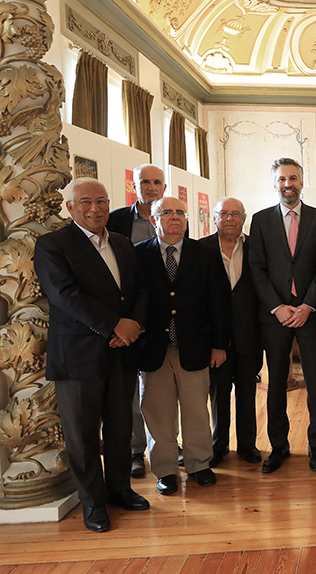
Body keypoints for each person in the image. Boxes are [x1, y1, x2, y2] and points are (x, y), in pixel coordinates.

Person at [34, 178, 150, 532]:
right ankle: (93, 503)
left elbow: (142, 290)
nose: (95, 208)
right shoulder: (53, 245)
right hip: (78, 355)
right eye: (85, 202)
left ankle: (119, 489)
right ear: (70, 207)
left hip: (122, 352)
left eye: (101, 201)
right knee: (82, 435)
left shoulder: (122, 243)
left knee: (120, 427)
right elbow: (65, 296)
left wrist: (133, 326)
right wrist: (115, 325)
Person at [135, 197, 230, 495]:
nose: (174, 217)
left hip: (195, 346)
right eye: (166, 213)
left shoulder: (205, 255)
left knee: (196, 412)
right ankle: (164, 471)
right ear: (154, 220)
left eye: (180, 213)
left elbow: (219, 302)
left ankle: (199, 465)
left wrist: (218, 345)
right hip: (153, 350)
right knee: (157, 413)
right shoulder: (138, 255)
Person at [249, 158, 316, 474]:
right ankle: (278, 447)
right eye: (282, 179)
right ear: (274, 184)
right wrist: (278, 307)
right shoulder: (260, 221)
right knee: (276, 385)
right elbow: (256, 268)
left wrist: (308, 305)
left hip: (310, 315)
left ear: (301, 182)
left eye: (293, 178)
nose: (288, 183)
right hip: (275, 316)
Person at [107, 163, 173, 479]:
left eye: (156, 182)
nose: (150, 187)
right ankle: (135, 451)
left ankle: (167, 446)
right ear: (134, 185)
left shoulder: (173, 215)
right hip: (128, 316)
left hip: (162, 317)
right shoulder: (117, 220)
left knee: (159, 390)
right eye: (144, 181)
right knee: (131, 390)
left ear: (164, 185)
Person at [200, 197, 263, 468]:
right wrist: (212, 341)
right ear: (213, 218)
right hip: (217, 339)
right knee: (219, 393)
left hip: (250, 336)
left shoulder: (257, 248)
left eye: (235, 214)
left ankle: (248, 445)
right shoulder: (200, 250)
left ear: (243, 218)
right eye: (223, 213)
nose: (229, 218)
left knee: (248, 393)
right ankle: (219, 445)